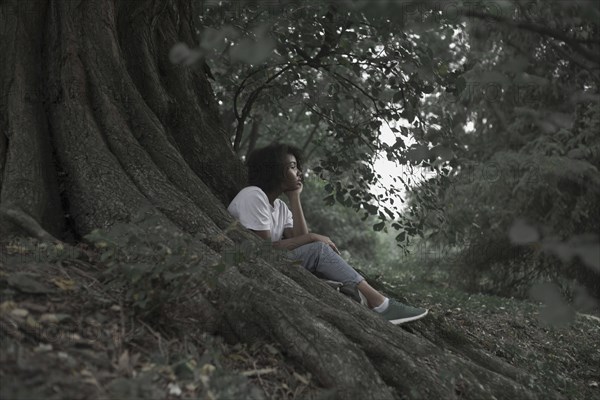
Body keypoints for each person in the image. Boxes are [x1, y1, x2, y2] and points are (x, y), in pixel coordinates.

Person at [227, 143, 428, 325]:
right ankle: (381, 305)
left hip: (274, 261)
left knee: (317, 250)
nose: (299, 172)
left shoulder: (279, 206)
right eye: (292, 166)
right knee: (319, 249)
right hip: (250, 262)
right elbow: (263, 249)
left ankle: (351, 292)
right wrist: (313, 237)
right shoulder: (253, 195)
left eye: (297, 166)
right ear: (274, 171)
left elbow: (301, 241)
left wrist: (295, 198)